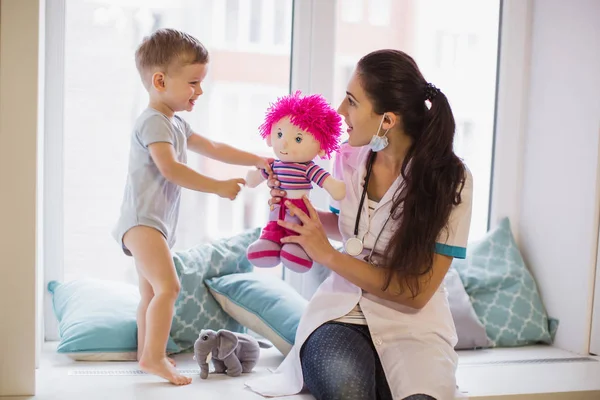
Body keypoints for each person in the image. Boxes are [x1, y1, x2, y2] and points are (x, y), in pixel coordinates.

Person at [245, 49, 473, 400]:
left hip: (414, 327)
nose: (339, 111)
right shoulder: (349, 159)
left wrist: (329, 256)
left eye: (352, 101)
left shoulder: (451, 181)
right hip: (340, 316)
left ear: (388, 120)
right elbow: (348, 225)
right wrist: (297, 215)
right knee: (349, 391)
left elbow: (417, 293)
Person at [112, 28, 271, 385]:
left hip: (149, 224)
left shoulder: (176, 123)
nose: (200, 91)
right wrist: (216, 187)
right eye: (194, 83)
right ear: (160, 80)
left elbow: (214, 147)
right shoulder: (154, 121)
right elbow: (170, 168)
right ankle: (153, 356)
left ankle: (147, 353)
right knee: (169, 288)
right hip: (142, 223)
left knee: (151, 292)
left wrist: (258, 158)